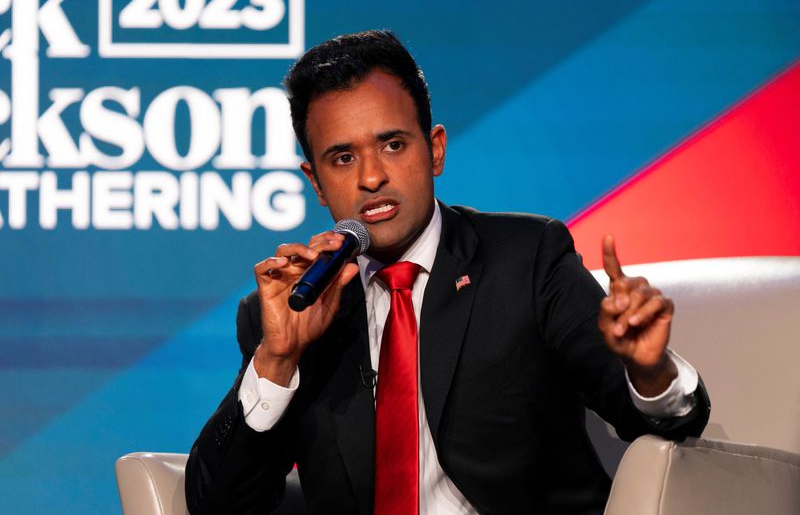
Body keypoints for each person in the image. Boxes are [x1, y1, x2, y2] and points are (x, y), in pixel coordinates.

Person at [185, 30, 709, 514]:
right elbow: (217, 505)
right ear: (316, 182)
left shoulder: (526, 258)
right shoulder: (291, 310)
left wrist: (649, 371)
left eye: (393, 145)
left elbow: (660, 421)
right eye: (343, 158)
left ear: (434, 149)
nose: (372, 177)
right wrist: (277, 359)